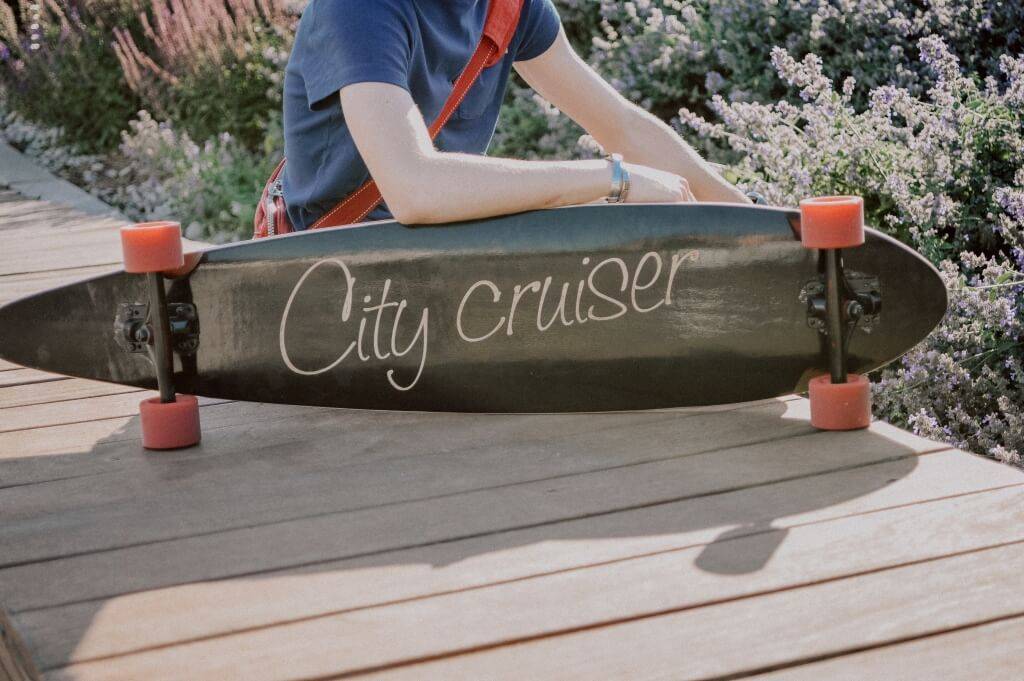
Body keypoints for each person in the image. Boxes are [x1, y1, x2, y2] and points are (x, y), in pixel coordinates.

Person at [280, 0, 749, 231]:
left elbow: (623, 127)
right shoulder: (358, 9)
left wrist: (761, 222)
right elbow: (414, 188)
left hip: (446, 252)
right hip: (332, 277)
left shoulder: (508, 8)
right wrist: (614, 179)